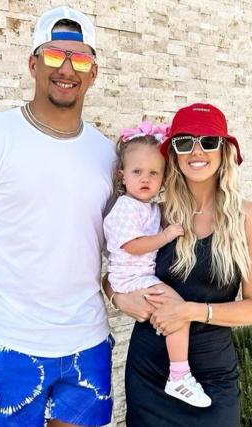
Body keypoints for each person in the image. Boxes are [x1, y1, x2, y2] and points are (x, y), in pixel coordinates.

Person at [0, 6, 116, 427]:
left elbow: (112, 245)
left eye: (80, 59)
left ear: (93, 72)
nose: (67, 69)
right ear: (33, 64)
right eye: (55, 56)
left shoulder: (107, 153)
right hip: (11, 348)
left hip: (88, 344)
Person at [104, 103, 252, 426]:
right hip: (149, 372)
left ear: (224, 151)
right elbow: (114, 274)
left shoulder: (250, 218)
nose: (197, 151)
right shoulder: (155, 215)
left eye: (208, 141)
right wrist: (120, 298)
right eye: (185, 143)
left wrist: (191, 311)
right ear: (175, 155)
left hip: (212, 377)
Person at [102, 122, 211, 408]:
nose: (146, 178)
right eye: (137, 172)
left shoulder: (148, 207)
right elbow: (132, 245)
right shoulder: (125, 207)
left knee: (174, 313)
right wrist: (164, 236)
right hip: (130, 278)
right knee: (177, 310)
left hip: (141, 276)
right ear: (122, 176)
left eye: (154, 172)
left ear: (164, 179)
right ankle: (179, 375)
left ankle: (178, 372)